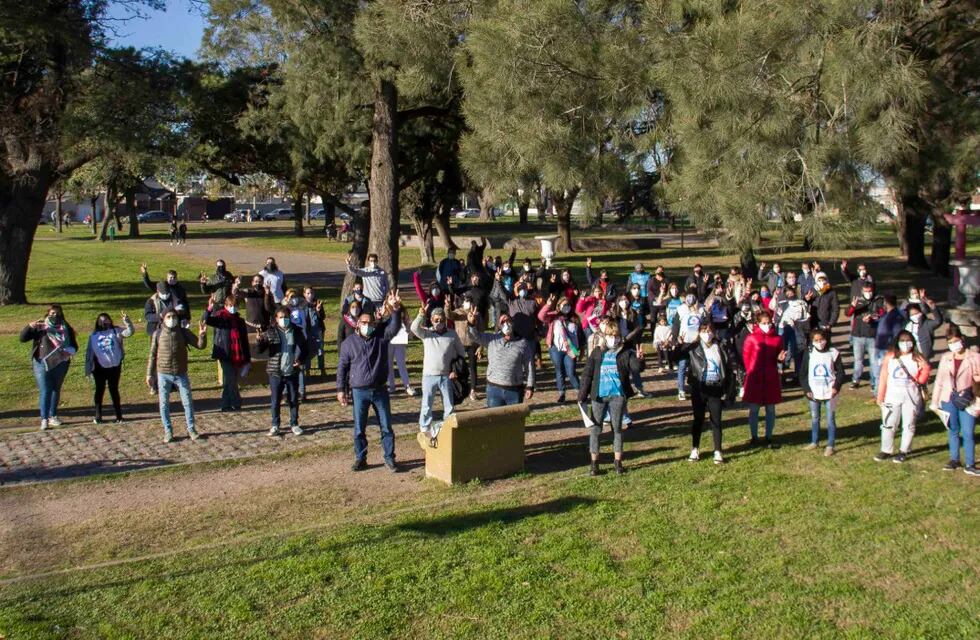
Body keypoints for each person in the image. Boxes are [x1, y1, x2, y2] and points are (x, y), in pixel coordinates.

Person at [336, 290, 404, 472]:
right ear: (358, 324)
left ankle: (389, 458)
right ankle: (360, 458)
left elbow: (394, 327)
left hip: (380, 389)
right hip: (359, 391)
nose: (367, 326)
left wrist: (396, 310)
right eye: (364, 323)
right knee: (359, 428)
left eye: (370, 323)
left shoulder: (380, 337)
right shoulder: (348, 344)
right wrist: (340, 390)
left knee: (386, 427)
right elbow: (342, 368)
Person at [578, 323, 644, 476]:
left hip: (617, 396)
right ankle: (594, 464)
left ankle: (618, 463)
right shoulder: (597, 352)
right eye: (610, 335)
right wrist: (582, 394)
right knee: (595, 429)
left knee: (617, 428)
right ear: (604, 336)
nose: (613, 339)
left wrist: (640, 359)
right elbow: (587, 374)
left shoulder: (625, 352)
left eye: (616, 336)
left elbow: (636, 368)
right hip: (599, 396)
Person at [147, 311, 207, 443]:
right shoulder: (158, 334)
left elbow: (200, 345)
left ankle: (191, 429)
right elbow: (152, 355)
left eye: (174, 317)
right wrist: (149, 374)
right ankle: (168, 431)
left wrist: (202, 335)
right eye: (169, 317)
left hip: (181, 373)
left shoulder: (183, 332)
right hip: (163, 374)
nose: (172, 319)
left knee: (187, 402)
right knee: (164, 404)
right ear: (163, 318)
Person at [682, 323, 736, 464]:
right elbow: (678, 355)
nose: (708, 334)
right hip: (700, 387)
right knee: (698, 419)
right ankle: (695, 449)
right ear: (699, 332)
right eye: (704, 331)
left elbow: (728, 367)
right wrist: (680, 344)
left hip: (715, 387)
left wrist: (728, 387)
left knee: (716, 420)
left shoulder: (720, 347)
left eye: (710, 331)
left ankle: (718, 451)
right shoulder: (694, 348)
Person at [875, 330, 931, 463]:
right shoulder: (890, 357)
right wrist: (880, 396)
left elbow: (924, 376)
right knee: (888, 424)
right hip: (892, 396)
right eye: (903, 341)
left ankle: (903, 451)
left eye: (908, 341)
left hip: (911, 396)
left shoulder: (918, 357)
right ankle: (886, 450)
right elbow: (883, 377)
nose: (906, 344)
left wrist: (924, 370)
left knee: (909, 424)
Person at [930, 326, 980, 475]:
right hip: (948, 399)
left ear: (962, 340)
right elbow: (939, 381)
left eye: (956, 341)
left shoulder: (974, 357)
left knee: (968, 432)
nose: (954, 344)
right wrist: (935, 402)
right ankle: (954, 459)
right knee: (952, 430)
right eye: (950, 342)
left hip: (968, 400)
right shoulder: (946, 358)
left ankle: (970, 464)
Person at [20, 305, 78, 430]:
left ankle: (53, 415)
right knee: (45, 390)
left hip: (61, 362)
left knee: (55, 389)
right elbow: (23, 338)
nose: (55, 316)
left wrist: (70, 351)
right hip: (42, 363)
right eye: (52, 313)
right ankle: (44, 418)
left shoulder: (66, 328)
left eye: (58, 313)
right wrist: (29, 327)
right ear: (47, 314)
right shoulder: (41, 327)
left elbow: (74, 345)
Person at [411, 305, 465, 438]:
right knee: (427, 404)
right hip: (429, 375)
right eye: (436, 320)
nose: (439, 323)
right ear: (431, 320)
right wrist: (420, 315)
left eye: (441, 320)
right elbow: (413, 328)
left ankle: (448, 426)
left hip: (446, 375)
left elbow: (461, 353)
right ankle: (425, 427)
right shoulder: (426, 333)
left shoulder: (452, 334)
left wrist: (455, 370)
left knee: (449, 404)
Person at [257, 307, 308, 437]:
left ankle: (294, 424)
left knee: (293, 399)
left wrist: (300, 360)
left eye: (286, 317)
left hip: (292, 371)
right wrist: (260, 341)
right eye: (281, 317)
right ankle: (275, 425)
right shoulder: (271, 331)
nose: (283, 320)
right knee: (275, 400)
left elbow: (305, 348)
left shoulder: (296, 331)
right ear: (276, 319)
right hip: (276, 372)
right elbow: (261, 350)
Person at [467, 311, 536, 408]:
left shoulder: (523, 343)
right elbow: (474, 336)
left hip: (514, 390)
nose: (506, 324)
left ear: (513, 323)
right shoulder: (491, 339)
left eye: (508, 321)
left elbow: (530, 366)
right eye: (503, 322)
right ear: (499, 326)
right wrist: (471, 324)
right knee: (494, 420)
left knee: (514, 421)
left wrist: (530, 386)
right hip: (494, 389)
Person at [742, 310, 787, 448]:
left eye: (768, 323)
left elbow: (780, 356)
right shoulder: (751, 338)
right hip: (755, 377)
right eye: (763, 323)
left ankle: (769, 436)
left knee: (771, 409)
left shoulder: (777, 338)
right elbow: (746, 357)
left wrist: (780, 360)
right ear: (758, 323)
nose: (766, 325)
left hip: (770, 377)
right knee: (754, 409)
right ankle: (754, 436)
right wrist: (751, 372)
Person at [799, 328, 846, 456]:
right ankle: (814, 441)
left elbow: (841, 373)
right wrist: (806, 390)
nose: (820, 342)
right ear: (812, 341)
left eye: (822, 340)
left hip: (830, 392)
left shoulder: (834, 353)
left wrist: (836, 387)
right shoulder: (809, 353)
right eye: (816, 340)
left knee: (830, 418)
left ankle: (830, 445)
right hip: (813, 392)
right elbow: (802, 374)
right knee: (815, 417)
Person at [84, 311, 135, 424]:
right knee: (99, 390)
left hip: (114, 366)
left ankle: (119, 416)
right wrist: (88, 369)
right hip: (99, 368)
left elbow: (129, 332)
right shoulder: (93, 336)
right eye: (101, 321)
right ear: (97, 323)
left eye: (106, 319)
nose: (104, 322)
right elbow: (89, 354)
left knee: (114, 390)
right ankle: (98, 416)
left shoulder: (116, 331)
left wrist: (127, 322)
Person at [203, 295, 251, 412]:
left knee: (230, 379)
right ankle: (233, 402)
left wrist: (247, 359)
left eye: (235, 306)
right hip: (224, 353)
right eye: (230, 306)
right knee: (230, 378)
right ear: (225, 306)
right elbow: (206, 320)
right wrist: (209, 308)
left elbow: (244, 340)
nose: (233, 308)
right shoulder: (221, 318)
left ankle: (228, 404)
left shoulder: (240, 321)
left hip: (237, 353)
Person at [538, 295, 584, 403]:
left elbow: (580, 336)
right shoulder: (554, 317)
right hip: (556, 349)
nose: (566, 307)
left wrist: (581, 350)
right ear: (559, 306)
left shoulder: (574, 319)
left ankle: (580, 392)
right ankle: (561, 393)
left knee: (571, 371)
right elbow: (541, 316)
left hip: (570, 350)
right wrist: (548, 305)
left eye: (568, 305)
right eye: (564, 305)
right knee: (559, 371)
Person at [846, 282, 882, 391]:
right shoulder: (858, 301)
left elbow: (882, 314)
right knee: (858, 360)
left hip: (872, 336)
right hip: (858, 336)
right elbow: (847, 313)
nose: (868, 293)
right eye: (866, 291)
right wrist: (853, 306)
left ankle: (874, 382)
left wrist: (872, 317)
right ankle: (855, 380)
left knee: (873, 361)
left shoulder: (878, 300)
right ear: (862, 291)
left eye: (870, 291)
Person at [671, 292, 705, 400]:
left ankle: (695, 385)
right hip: (684, 342)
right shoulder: (681, 310)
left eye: (693, 303)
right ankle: (681, 390)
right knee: (682, 366)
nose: (691, 306)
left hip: (697, 342)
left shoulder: (702, 310)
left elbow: (706, 324)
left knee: (697, 366)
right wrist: (675, 339)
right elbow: (676, 325)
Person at [448, 293, 482, 401]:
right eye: (466, 300)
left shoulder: (477, 314)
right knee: (458, 366)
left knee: (473, 367)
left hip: (473, 344)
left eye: (469, 300)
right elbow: (448, 315)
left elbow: (481, 330)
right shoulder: (458, 312)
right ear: (462, 302)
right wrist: (447, 306)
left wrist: (481, 346)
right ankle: (458, 387)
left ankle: (473, 390)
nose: (468, 302)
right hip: (460, 343)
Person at [387, 301, 415, 397]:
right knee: (389, 364)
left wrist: (408, 329)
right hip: (389, 339)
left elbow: (407, 321)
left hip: (400, 338)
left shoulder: (402, 309)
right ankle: (391, 385)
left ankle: (407, 386)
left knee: (401, 363)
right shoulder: (386, 309)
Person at [302, 287, 326, 378]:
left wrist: (318, 311)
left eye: (311, 293)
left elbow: (323, 317)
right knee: (308, 351)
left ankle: (322, 369)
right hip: (308, 330)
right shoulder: (302, 304)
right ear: (304, 294)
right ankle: (307, 371)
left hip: (318, 330)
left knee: (320, 350)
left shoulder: (318, 303)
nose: (310, 295)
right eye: (308, 293)